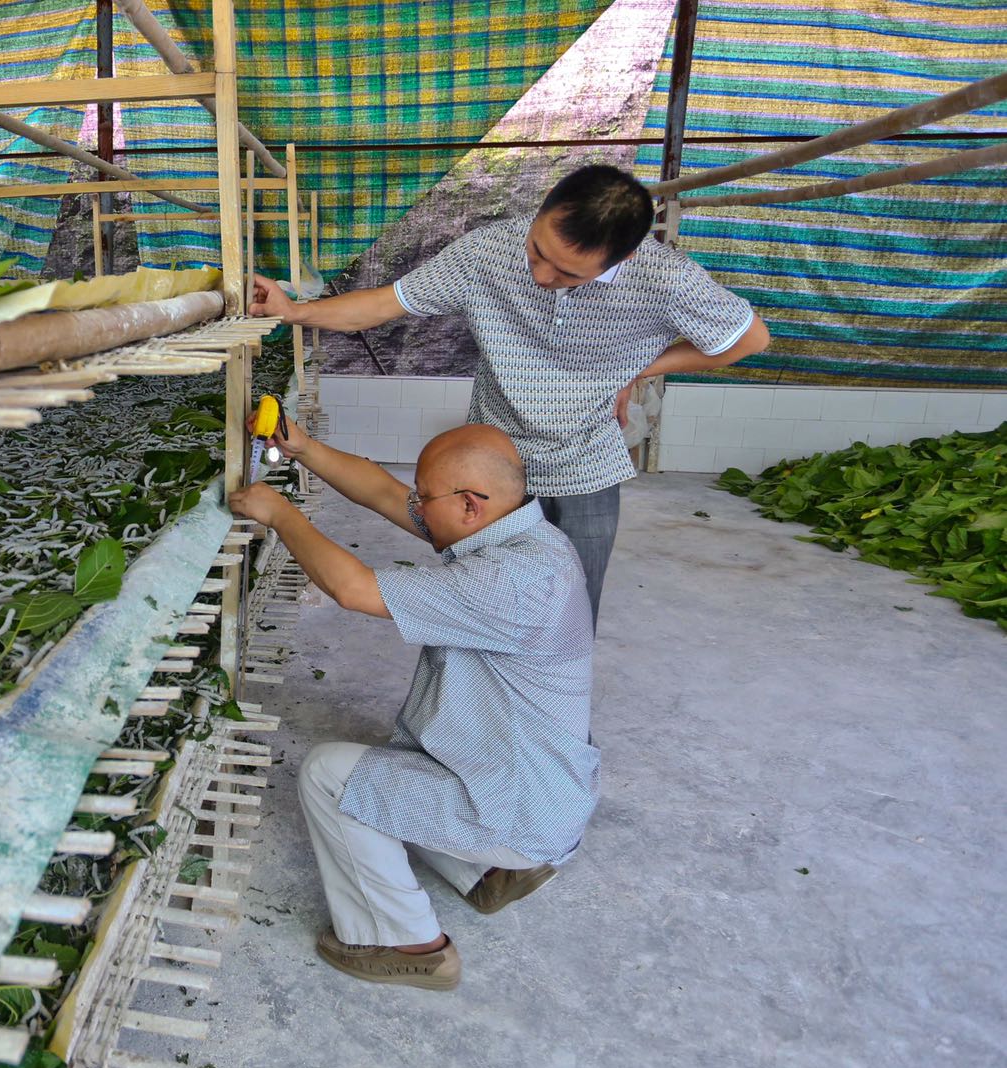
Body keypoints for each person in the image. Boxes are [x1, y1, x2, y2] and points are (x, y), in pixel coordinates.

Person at [248, 163, 770, 627]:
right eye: (538, 252)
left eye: (567, 273)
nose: (542, 275)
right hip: (491, 461)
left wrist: (636, 367)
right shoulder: (489, 250)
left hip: (584, 466)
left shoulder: (666, 278)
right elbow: (385, 303)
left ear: (625, 256)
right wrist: (296, 312)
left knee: (565, 618)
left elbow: (749, 339)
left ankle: (547, 727)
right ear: (541, 212)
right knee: (471, 599)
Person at [228, 423, 596, 991]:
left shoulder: (511, 580)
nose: (417, 508)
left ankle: (406, 942)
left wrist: (281, 515)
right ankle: (494, 871)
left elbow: (354, 590)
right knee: (406, 755)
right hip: (542, 789)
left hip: (523, 808)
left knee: (329, 774)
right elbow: (381, 492)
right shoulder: (520, 535)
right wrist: (305, 449)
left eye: (426, 497)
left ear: (470, 504)